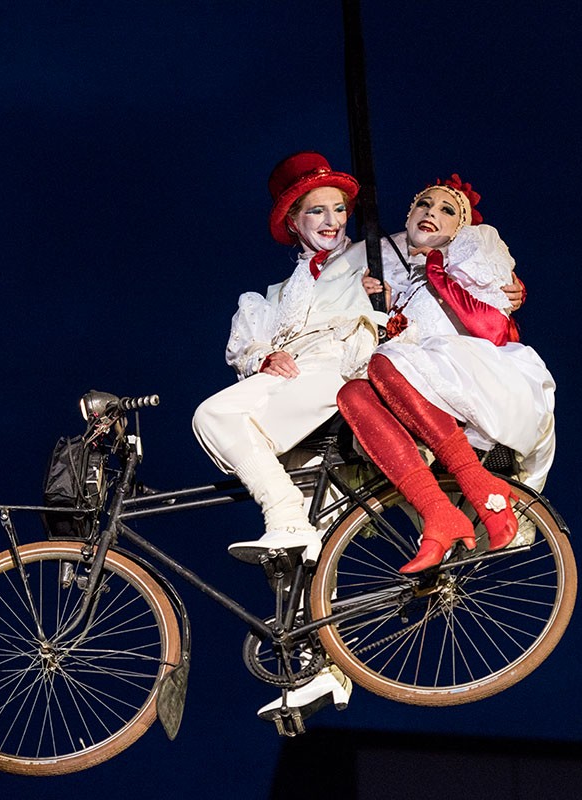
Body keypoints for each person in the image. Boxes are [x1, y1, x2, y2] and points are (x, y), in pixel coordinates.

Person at [193, 151, 391, 720]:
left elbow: (440, 244)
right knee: (297, 558)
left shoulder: (371, 257)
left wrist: (505, 286)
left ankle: (282, 513)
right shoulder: (273, 296)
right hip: (292, 396)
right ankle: (323, 668)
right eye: (317, 211)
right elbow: (245, 348)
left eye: (339, 209)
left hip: (337, 377)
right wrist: (264, 355)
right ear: (294, 222)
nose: (332, 220)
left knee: (212, 416)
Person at [337, 174, 555, 573]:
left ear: (460, 228)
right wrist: (380, 305)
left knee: (385, 362)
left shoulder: (470, 252)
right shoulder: (401, 274)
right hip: (420, 387)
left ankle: (481, 485)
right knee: (352, 394)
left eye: (446, 210)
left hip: (473, 374)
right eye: (424, 204)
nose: (431, 213)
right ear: (409, 214)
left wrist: (439, 270)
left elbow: (491, 324)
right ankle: (438, 513)